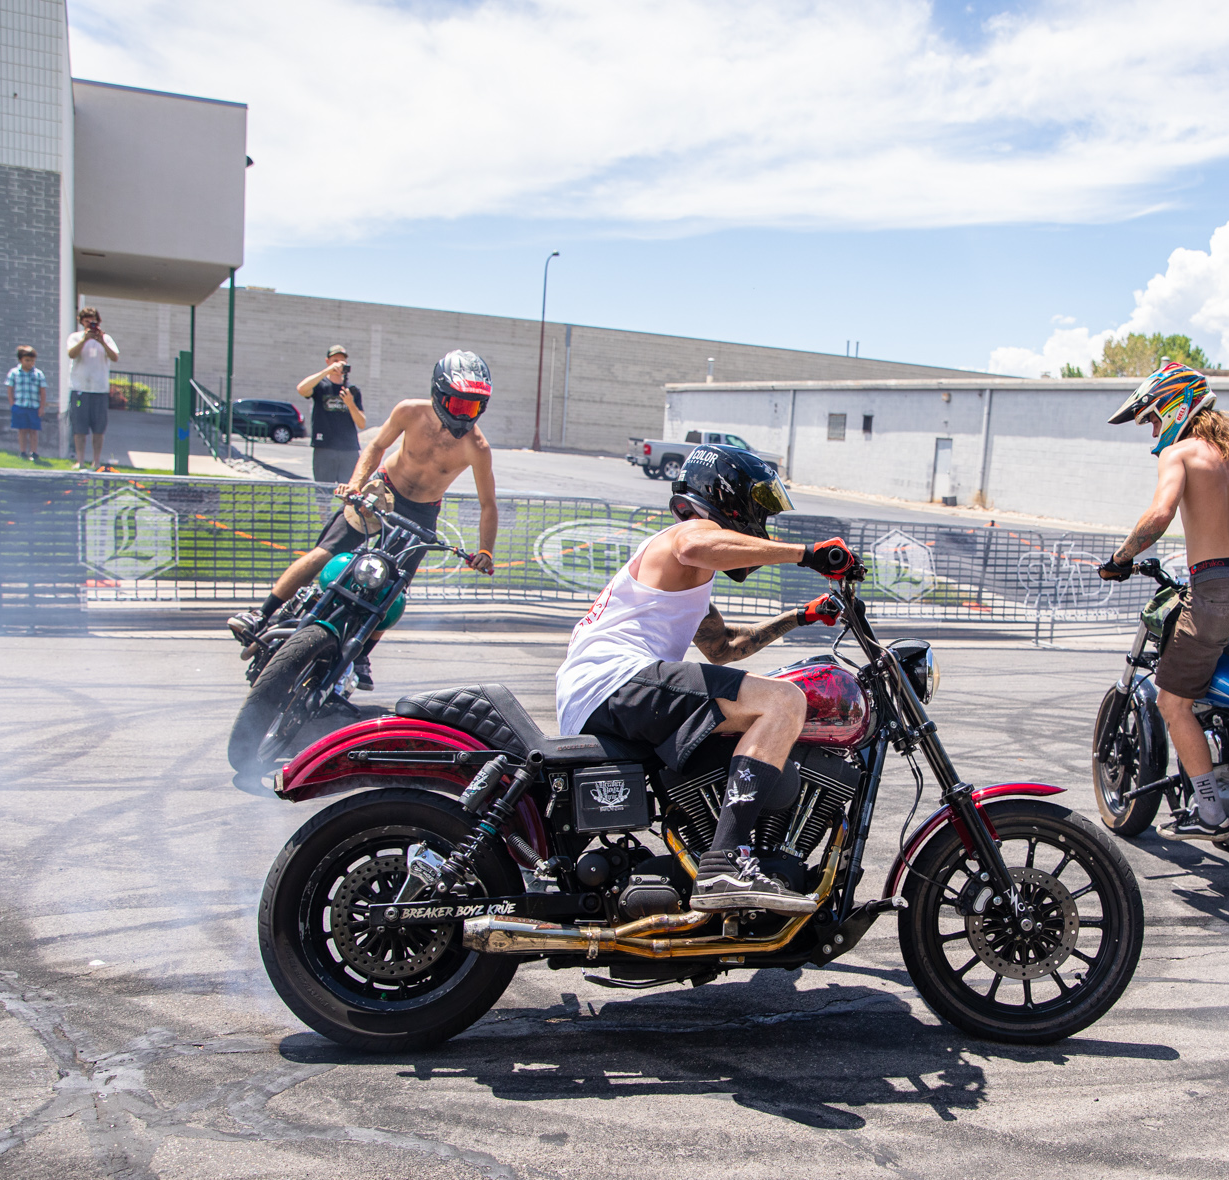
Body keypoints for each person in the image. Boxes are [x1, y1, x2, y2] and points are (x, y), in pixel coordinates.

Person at [556, 444, 858, 912]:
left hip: (612, 688)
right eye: (759, 509)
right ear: (728, 495)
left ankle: (724, 852)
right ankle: (726, 863)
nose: (762, 522)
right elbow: (696, 543)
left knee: (763, 702)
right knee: (785, 701)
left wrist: (800, 616)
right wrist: (806, 553)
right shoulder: (690, 534)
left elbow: (723, 646)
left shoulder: (685, 578)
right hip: (617, 680)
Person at [1095, 362, 1229, 842]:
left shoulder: (1181, 453)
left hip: (1215, 592)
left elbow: (1159, 514)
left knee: (1173, 703)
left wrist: (1120, 557)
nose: (1152, 428)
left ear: (1173, 407)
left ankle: (1210, 812)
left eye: (1151, 417)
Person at [227, 351, 501, 690]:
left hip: (423, 511)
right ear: (439, 394)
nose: (465, 414)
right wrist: (356, 485)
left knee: (394, 591)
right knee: (326, 552)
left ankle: (361, 654)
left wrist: (485, 551)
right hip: (382, 491)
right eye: (459, 404)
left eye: (473, 407)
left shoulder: (478, 447)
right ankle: (263, 613)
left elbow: (488, 504)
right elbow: (375, 447)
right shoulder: (409, 412)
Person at [298, 345, 367, 485]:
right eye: (335, 361)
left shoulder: (352, 390)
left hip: (349, 449)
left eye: (342, 361)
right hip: (324, 447)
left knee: (350, 495)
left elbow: (362, 423)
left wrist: (350, 403)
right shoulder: (320, 386)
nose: (339, 365)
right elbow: (301, 389)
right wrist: (327, 372)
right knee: (323, 495)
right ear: (327, 361)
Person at [65, 306, 118, 469]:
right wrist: (85, 340)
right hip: (80, 388)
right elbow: (71, 354)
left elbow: (114, 357)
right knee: (79, 428)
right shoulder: (75, 337)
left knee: (99, 428)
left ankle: (96, 461)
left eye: (92, 320)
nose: (90, 324)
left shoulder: (106, 338)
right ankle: (80, 461)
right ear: (81, 321)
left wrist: (101, 340)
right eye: (86, 320)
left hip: (99, 390)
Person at [6, 346, 46, 459]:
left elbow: (42, 391)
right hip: (20, 405)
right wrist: (12, 404)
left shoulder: (38, 374)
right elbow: (10, 389)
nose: (30, 363)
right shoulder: (14, 373)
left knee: (33, 430)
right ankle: (23, 451)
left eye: (32, 361)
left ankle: (33, 452)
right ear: (20, 360)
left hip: (33, 406)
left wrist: (42, 407)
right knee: (22, 430)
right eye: (27, 360)